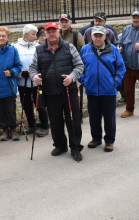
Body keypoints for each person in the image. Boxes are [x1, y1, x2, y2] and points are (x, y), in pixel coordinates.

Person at [29, 22, 85, 161]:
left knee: (73, 120)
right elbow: (33, 68)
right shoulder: (39, 50)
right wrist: (34, 77)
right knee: (55, 121)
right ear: (45, 34)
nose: (52, 34)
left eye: (54, 31)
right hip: (50, 91)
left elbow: (79, 65)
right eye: (49, 32)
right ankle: (60, 145)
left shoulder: (69, 46)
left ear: (59, 32)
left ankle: (75, 147)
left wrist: (71, 77)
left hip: (68, 90)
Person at [79, 26, 125, 152]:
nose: (98, 38)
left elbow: (121, 68)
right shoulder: (85, 50)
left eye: (101, 36)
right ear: (91, 36)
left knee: (109, 117)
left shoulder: (114, 50)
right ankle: (96, 138)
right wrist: (84, 81)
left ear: (105, 37)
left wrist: (115, 82)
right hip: (92, 90)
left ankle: (109, 140)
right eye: (96, 36)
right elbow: (78, 68)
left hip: (109, 91)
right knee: (93, 117)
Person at [0, 26, 22, 141]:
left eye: (3, 36)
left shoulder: (13, 50)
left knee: (10, 109)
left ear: (7, 37)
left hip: (9, 86)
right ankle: (4, 130)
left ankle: (13, 129)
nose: (1, 38)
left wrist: (12, 72)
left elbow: (18, 66)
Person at [15, 24, 43, 136]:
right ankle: (32, 125)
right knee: (26, 104)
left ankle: (45, 125)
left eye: (36, 34)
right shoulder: (16, 47)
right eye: (33, 34)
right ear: (26, 34)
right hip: (23, 81)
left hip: (36, 81)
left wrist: (36, 74)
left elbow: (42, 63)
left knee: (40, 104)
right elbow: (15, 63)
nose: (35, 37)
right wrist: (21, 73)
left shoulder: (38, 47)